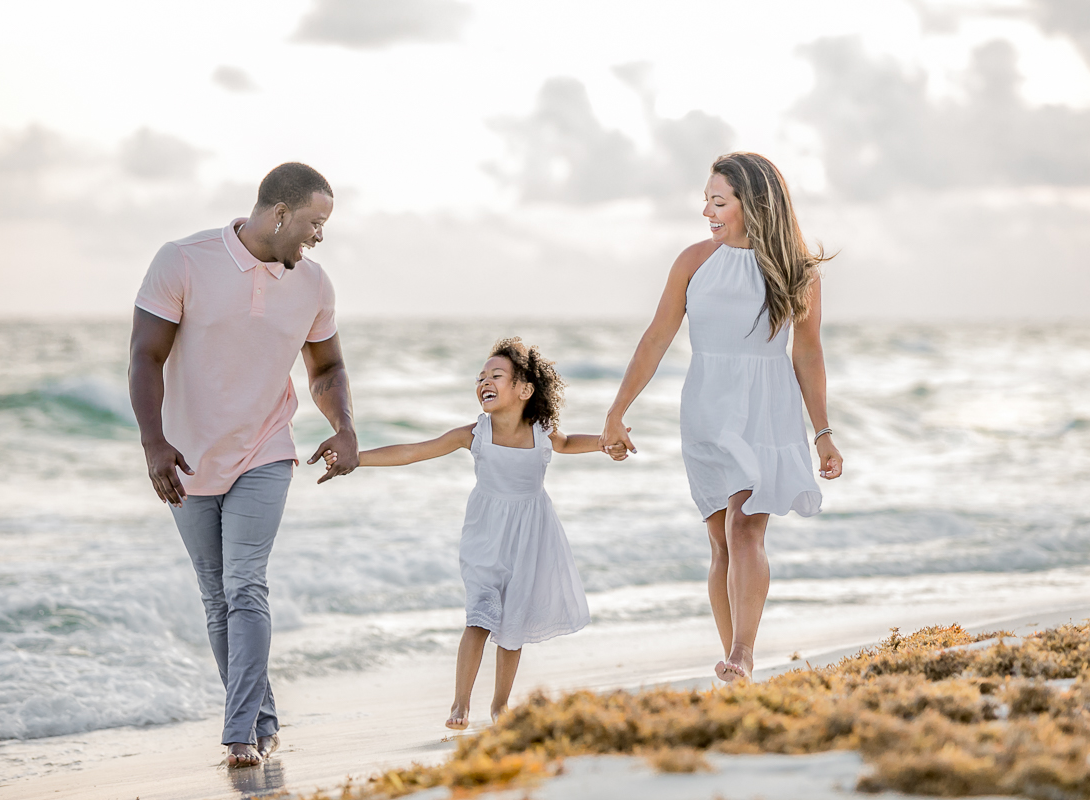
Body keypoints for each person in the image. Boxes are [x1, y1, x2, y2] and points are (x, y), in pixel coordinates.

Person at [127, 162, 359, 768]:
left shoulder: (313, 284)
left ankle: (238, 736)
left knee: (244, 584)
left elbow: (327, 369)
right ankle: (264, 719)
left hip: (266, 450)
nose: (318, 237)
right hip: (187, 456)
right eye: (313, 222)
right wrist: (153, 442)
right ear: (279, 214)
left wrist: (346, 427)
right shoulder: (183, 260)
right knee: (215, 597)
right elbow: (145, 357)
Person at [599, 152, 843, 683]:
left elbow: (808, 355)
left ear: (752, 203)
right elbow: (657, 337)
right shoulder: (694, 261)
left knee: (745, 525)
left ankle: (743, 652)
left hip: (766, 409)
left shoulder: (797, 270)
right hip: (707, 408)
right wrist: (617, 410)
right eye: (707, 201)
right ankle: (736, 663)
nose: (708, 211)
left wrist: (823, 433)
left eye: (719, 201)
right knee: (720, 540)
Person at [328, 338, 608, 728]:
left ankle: (499, 706)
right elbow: (413, 451)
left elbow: (568, 443)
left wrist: (604, 444)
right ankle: (460, 704)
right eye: (480, 377)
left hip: (532, 536)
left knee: (513, 626)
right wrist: (357, 459)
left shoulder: (543, 431)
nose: (484, 382)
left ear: (525, 389)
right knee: (480, 615)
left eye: (496, 375)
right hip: (486, 536)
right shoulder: (474, 434)